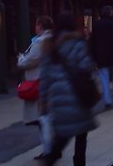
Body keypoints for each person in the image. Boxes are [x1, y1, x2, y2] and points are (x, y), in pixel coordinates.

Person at [40, 12, 99, 166]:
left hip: (59, 98)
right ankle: (79, 163)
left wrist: (43, 99)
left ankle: (50, 159)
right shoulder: (78, 42)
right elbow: (86, 67)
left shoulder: (49, 45)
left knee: (61, 135)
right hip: (79, 95)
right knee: (81, 136)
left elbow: (45, 77)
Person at [16, 15, 53, 159]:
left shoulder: (40, 43)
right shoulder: (53, 39)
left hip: (38, 82)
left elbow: (30, 61)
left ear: (40, 26)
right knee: (47, 117)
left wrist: (20, 59)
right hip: (50, 81)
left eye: (37, 24)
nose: (35, 27)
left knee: (42, 118)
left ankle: (48, 149)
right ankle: (51, 148)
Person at [89, 6, 113, 108]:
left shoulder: (97, 25)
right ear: (110, 13)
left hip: (101, 56)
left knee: (104, 79)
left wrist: (94, 56)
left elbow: (93, 42)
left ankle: (107, 101)